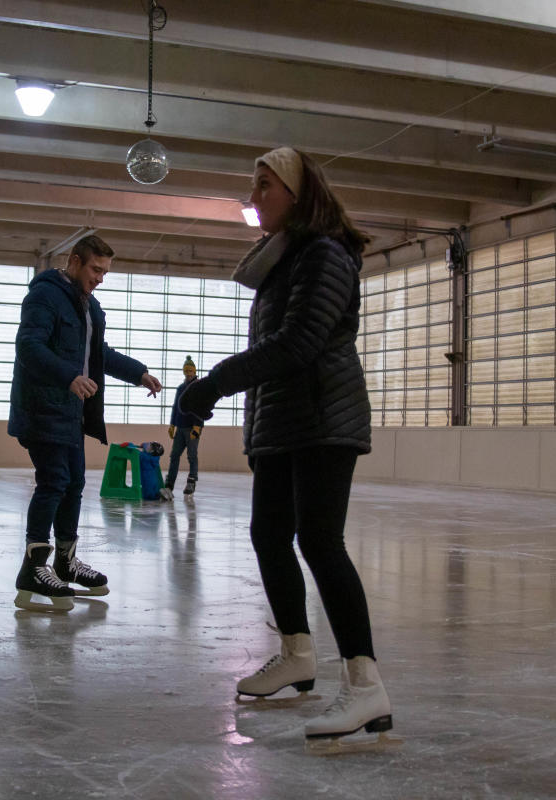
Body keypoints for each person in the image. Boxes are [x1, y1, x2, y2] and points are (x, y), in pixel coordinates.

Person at [180, 147, 392, 747]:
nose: (254, 196)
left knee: (320, 541)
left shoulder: (324, 255)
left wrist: (216, 382)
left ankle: (366, 684)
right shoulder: (284, 261)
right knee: (268, 535)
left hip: (324, 419)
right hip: (283, 423)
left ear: (299, 194)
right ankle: (298, 652)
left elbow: (299, 344)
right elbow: (278, 351)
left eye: (265, 185)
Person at [8, 234, 163, 613]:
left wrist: (138, 372)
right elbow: (28, 345)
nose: (100, 278)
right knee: (54, 482)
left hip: (71, 413)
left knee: (74, 483)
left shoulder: (89, 307)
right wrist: (67, 376)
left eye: (105, 272)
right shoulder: (44, 296)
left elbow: (100, 354)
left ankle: (64, 562)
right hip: (42, 408)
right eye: (96, 269)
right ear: (75, 261)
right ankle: (33, 569)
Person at [161, 355, 202, 500]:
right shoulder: (180, 388)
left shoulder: (198, 387)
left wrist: (197, 426)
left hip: (192, 427)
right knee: (174, 456)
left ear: (194, 371)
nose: (189, 373)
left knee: (192, 455)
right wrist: (172, 424)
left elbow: (201, 407)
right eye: (186, 371)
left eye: (191, 371)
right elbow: (175, 408)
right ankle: (169, 485)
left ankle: (192, 481)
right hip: (180, 427)